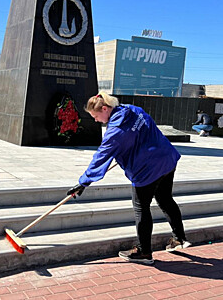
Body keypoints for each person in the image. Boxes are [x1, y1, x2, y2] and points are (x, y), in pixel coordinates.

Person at [67, 92, 191, 265]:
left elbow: (101, 156)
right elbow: (145, 129)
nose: (95, 120)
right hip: (167, 159)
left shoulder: (115, 131)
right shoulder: (133, 110)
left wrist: (83, 182)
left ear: (104, 108)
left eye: (96, 116)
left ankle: (144, 252)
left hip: (148, 169)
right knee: (165, 199)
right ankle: (179, 238)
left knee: (141, 207)